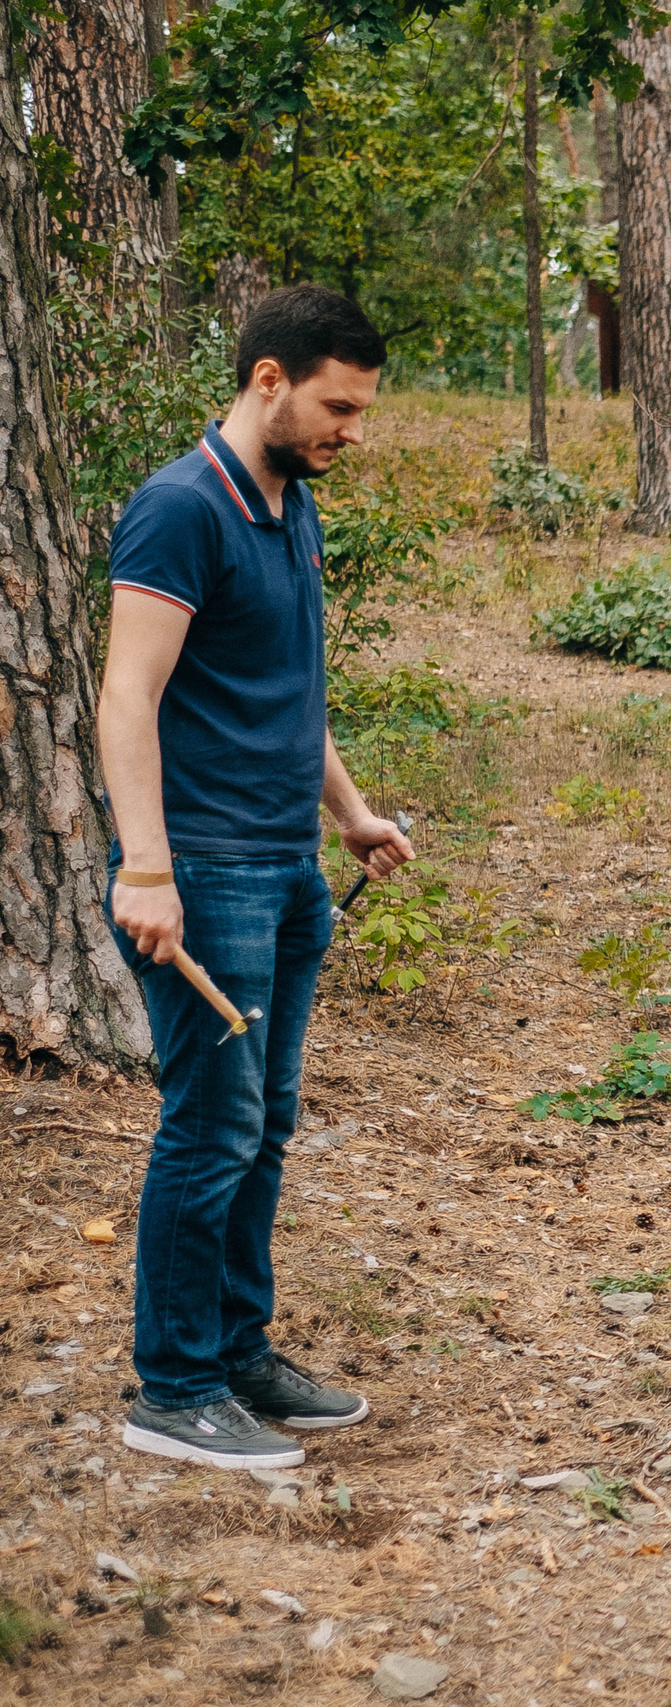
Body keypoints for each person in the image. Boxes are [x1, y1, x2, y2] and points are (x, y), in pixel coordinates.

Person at [101, 285, 414, 1472]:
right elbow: (126, 694)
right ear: (269, 381)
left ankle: (234, 1351)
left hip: (283, 867)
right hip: (203, 875)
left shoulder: (290, 504)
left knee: (264, 1125)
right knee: (211, 1126)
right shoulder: (180, 509)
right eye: (337, 404)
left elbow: (290, 686)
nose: (351, 428)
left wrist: (348, 814)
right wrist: (145, 866)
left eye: (361, 409)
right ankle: (171, 1389)